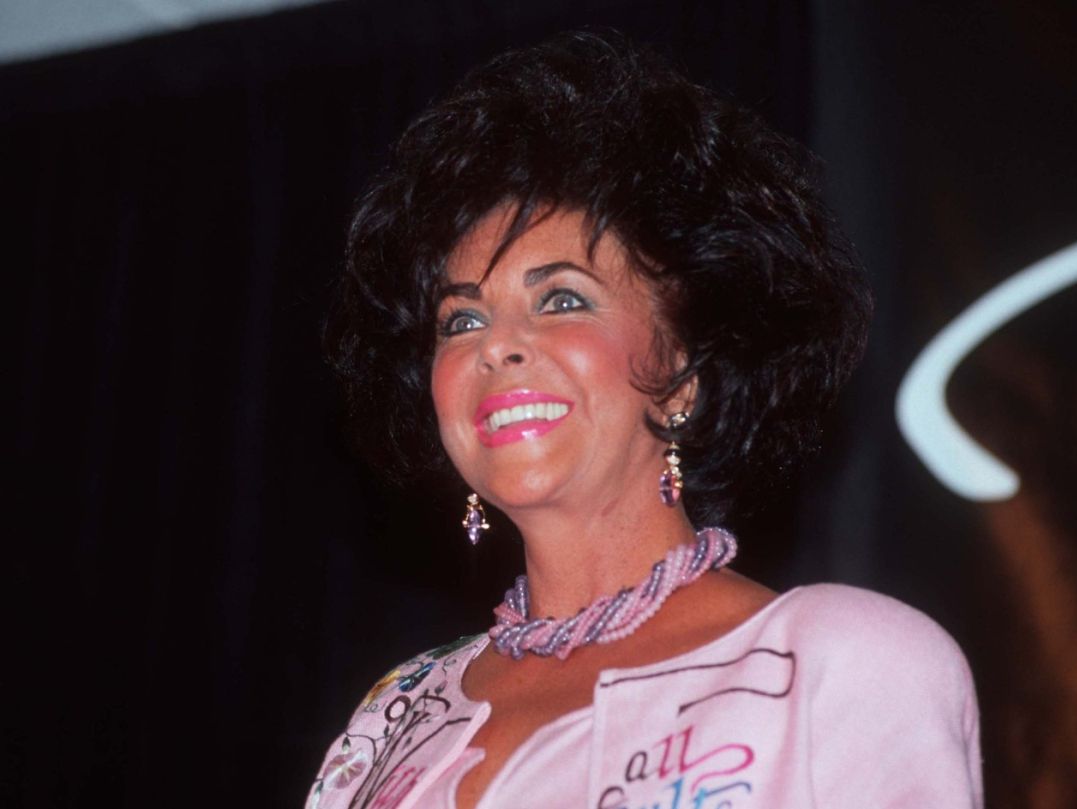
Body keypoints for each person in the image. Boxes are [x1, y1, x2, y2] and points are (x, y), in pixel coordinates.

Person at [309, 29, 982, 809]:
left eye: (562, 299)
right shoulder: (393, 716)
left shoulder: (841, 663)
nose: (497, 346)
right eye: (461, 320)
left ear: (680, 376)